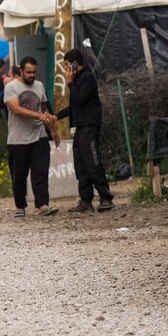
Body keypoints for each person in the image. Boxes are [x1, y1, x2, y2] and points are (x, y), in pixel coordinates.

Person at [58, 48, 112, 213]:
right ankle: (86, 200)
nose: (66, 69)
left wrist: (69, 82)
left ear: (75, 64)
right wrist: (56, 116)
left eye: (67, 65)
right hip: (80, 126)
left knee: (92, 162)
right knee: (81, 165)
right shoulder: (78, 80)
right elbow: (74, 107)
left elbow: (80, 99)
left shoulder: (87, 78)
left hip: (89, 126)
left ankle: (105, 197)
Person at [4, 56, 57, 217]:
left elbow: (45, 110)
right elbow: (16, 109)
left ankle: (43, 205)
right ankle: (20, 206)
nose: (32, 75)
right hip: (17, 139)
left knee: (40, 172)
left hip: (39, 136)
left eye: (34, 72)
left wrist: (53, 131)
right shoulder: (11, 87)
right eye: (28, 72)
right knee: (19, 175)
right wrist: (39, 116)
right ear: (21, 71)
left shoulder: (39, 86)